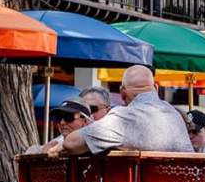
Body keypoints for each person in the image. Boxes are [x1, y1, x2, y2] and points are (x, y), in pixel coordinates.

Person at [49, 65, 193, 157]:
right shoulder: (174, 115)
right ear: (155, 87)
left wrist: (60, 145)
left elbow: (71, 143)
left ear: (122, 93)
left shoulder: (123, 118)